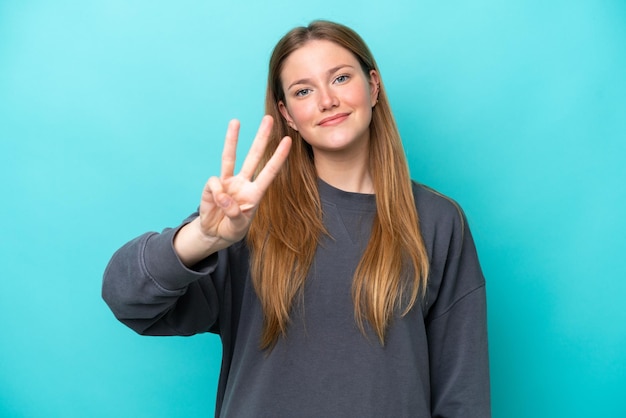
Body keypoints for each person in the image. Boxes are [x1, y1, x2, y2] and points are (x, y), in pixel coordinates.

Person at [102, 20, 490, 417]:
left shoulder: (438, 221)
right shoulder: (248, 217)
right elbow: (126, 299)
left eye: (340, 78)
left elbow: (464, 396)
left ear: (373, 86)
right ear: (287, 114)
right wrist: (201, 238)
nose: (326, 100)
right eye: (304, 90)